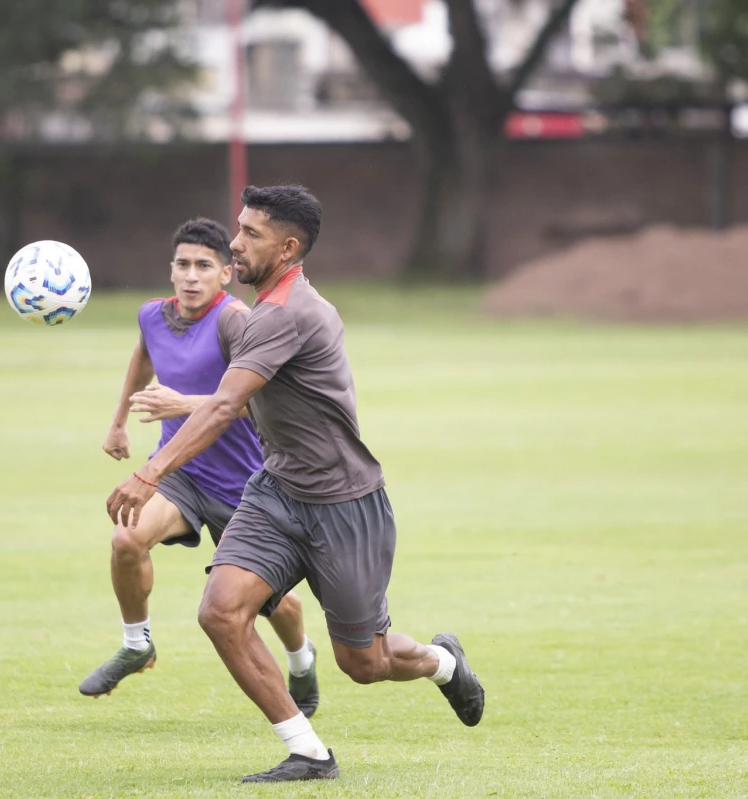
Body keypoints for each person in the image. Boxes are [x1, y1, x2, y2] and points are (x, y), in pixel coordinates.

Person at [106, 187, 486, 783]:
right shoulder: (260, 316)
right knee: (221, 613)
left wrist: (149, 472)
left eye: (250, 234)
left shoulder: (287, 314)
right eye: (239, 227)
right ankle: (308, 752)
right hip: (277, 492)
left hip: (345, 504)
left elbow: (227, 406)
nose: (235, 242)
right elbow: (244, 404)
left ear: (287, 247)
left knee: (364, 662)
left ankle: (442, 662)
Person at [80, 217, 321, 719]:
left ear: (226, 273)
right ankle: (136, 643)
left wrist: (183, 403)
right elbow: (143, 360)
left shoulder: (236, 322)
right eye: (183, 265)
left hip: (246, 485)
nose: (191, 276)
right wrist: (119, 421)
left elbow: (257, 402)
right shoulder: (151, 315)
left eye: (203, 266)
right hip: (182, 473)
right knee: (126, 539)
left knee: (271, 604)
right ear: (171, 271)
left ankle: (301, 660)